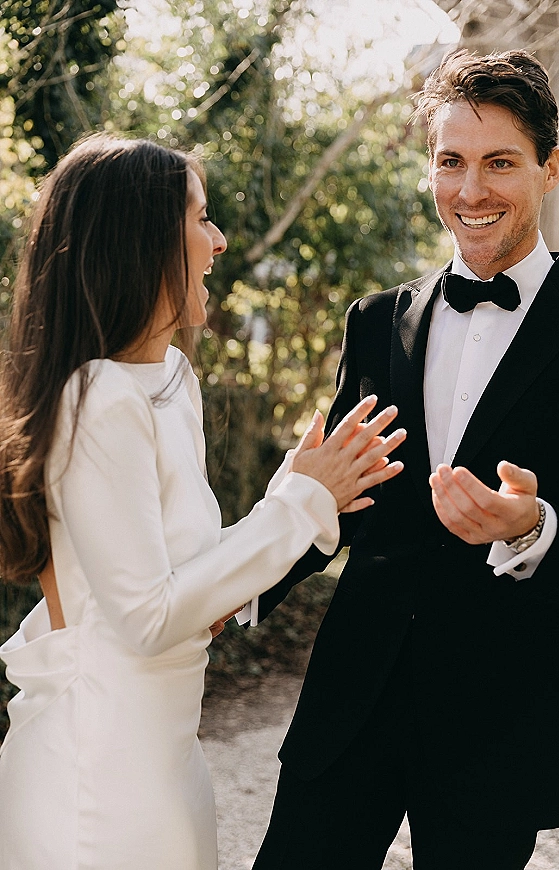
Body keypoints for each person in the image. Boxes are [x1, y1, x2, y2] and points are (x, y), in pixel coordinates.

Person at [0, 134, 407, 870]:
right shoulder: (97, 399)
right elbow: (149, 616)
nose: (217, 241)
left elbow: (187, 576)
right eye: (200, 217)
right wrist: (303, 504)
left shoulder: (171, 382)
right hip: (99, 775)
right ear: (142, 242)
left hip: (168, 756)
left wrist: (299, 487)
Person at [249, 49, 559, 870]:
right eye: (450, 162)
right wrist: (228, 593)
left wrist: (536, 526)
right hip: (353, 697)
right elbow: (333, 499)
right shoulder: (374, 323)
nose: (471, 192)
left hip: (500, 712)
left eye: (500, 162)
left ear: (551, 169)